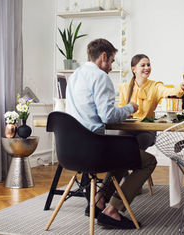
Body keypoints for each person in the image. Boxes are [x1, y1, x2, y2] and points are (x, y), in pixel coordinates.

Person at [65, 38, 157, 229]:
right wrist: (129, 107)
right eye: (112, 61)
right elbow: (107, 116)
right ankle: (112, 210)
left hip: (71, 150)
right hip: (95, 149)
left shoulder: (74, 76)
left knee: (124, 154)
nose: (111, 67)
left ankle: (99, 200)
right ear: (104, 56)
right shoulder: (100, 77)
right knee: (148, 161)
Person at [118, 54, 184, 150]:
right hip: (128, 128)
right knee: (120, 147)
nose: (147, 68)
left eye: (148, 65)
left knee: (136, 148)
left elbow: (169, 91)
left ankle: (138, 163)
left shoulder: (155, 86)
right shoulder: (124, 87)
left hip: (147, 130)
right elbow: (120, 108)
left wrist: (181, 87)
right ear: (134, 69)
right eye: (143, 65)